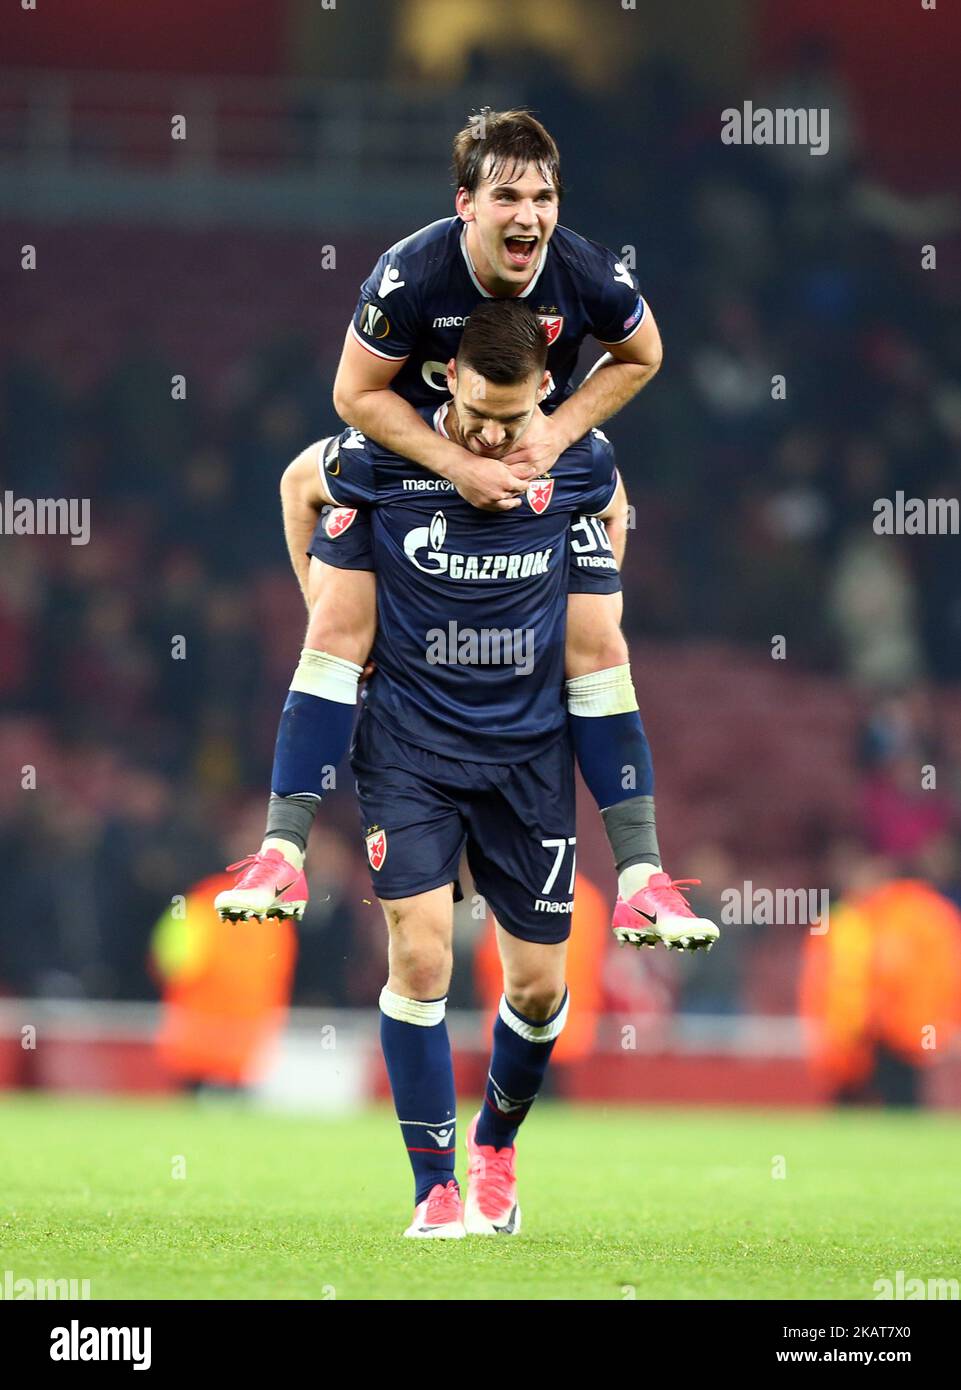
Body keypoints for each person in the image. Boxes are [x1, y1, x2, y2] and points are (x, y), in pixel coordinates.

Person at [227, 303, 718, 1235]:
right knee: (418, 956)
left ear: (546, 389)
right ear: (448, 379)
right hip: (410, 747)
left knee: (536, 988)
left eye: (514, 417)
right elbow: (299, 485)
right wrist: (318, 593)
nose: (496, 438)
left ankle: (496, 1143)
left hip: (527, 756)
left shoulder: (576, 457)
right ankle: (434, 1188)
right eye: (480, 415)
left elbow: (611, 507)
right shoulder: (383, 453)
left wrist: (597, 571)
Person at [219, 109, 712, 948]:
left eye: (545, 197)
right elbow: (348, 403)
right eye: (508, 196)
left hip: (527, 449)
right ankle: (282, 847)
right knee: (336, 620)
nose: (529, 216)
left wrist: (552, 443)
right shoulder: (409, 276)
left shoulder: (585, 272)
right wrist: (455, 466)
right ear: (465, 205)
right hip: (419, 452)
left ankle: (640, 874)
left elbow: (644, 357)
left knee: (599, 641)